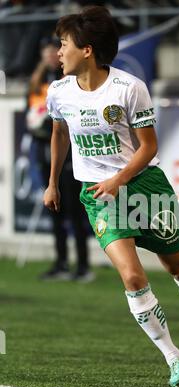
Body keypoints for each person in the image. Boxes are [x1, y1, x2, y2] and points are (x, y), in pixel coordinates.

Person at [44, 6, 179, 387]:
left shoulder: (128, 88)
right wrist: (53, 182)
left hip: (144, 187)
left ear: (87, 50)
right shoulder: (58, 91)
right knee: (132, 276)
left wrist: (120, 180)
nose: (58, 52)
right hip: (98, 194)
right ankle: (174, 358)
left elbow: (149, 146)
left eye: (64, 44)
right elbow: (59, 134)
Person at [27, 36, 93, 282]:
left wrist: (46, 122)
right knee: (54, 209)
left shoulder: (69, 80)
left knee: (76, 211)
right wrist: (37, 123)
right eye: (45, 50)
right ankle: (61, 262)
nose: (50, 54)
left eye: (54, 49)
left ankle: (83, 266)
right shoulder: (38, 81)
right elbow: (32, 113)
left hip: (70, 155)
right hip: (45, 151)